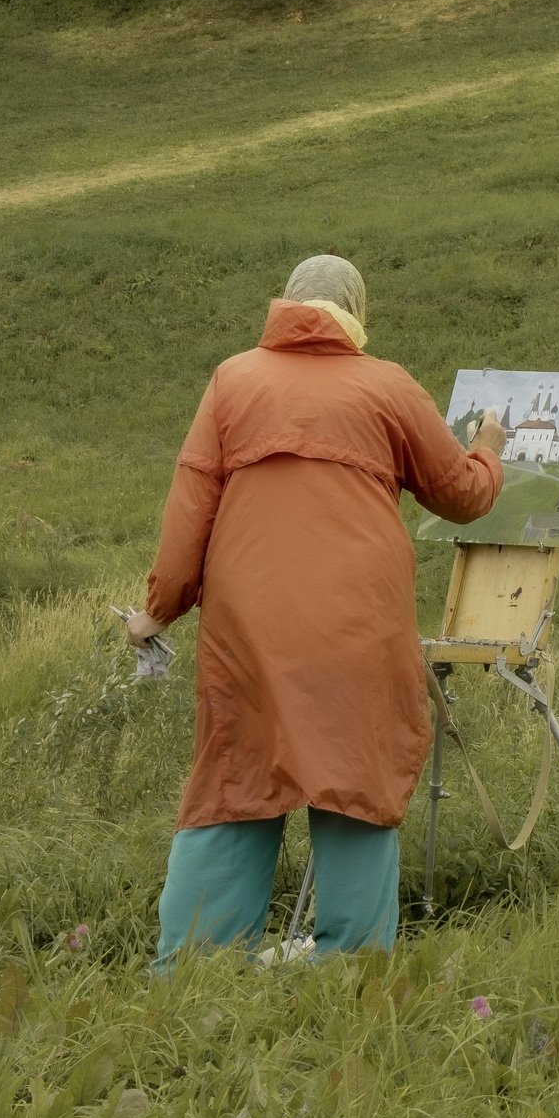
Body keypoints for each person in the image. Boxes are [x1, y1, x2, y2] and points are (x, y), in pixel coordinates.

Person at [128, 252, 507, 963]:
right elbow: (460, 495)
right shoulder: (387, 385)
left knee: (235, 779)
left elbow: (189, 511)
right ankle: (354, 973)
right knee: (357, 780)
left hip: (246, 630)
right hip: (359, 627)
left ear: (285, 305)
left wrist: (159, 610)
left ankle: (194, 974)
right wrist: (489, 449)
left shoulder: (232, 379)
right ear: (357, 316)